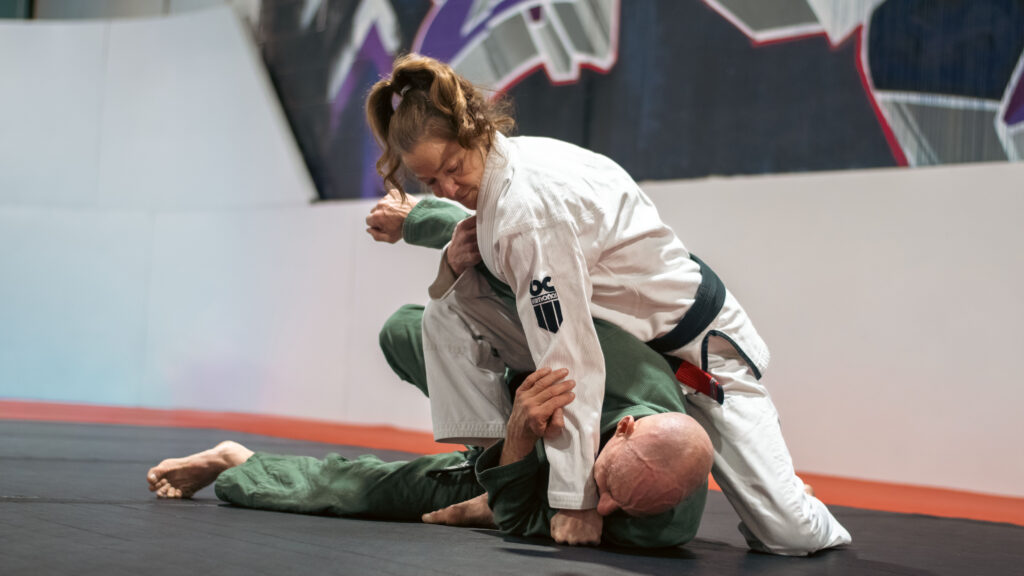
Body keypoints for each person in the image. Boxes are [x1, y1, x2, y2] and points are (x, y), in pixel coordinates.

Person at [363, 53, 851, 555]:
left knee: (788, 534)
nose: (448, 189)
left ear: (475, 131)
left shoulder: (527, 211)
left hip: (698, 357)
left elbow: (567, 361)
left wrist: (574, 501)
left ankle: (788, 497)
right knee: (446, 314)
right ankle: (499, 478)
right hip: (627, 346)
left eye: (452, 169)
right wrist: (431, 236)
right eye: (430, 183)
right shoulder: (503, 174)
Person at [147, 315, 714, 548]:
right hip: (513, 408)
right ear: (625, 429)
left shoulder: (663, 516)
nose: (606, 505)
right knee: (403, 328)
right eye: (608, 486)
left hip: (513, 475)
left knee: (361, 491)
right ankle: (493, 452)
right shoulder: (607, 361)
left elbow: (520, 515)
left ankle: (236, 462)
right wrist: (515, 422)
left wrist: (500, 490)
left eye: (626, 506)